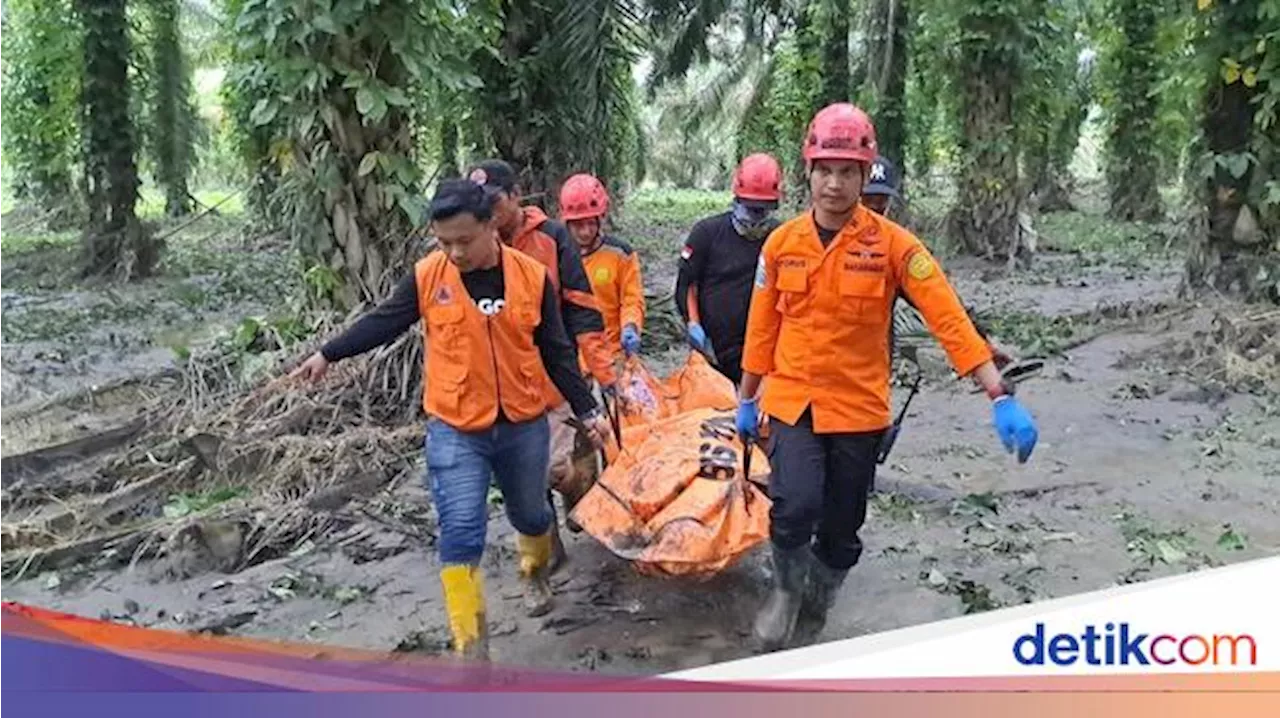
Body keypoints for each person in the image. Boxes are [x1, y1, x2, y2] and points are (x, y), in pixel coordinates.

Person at [736, 103, 1040, 652]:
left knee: (842, 525)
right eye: (824, 169)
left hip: (857, 408)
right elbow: (762, 326)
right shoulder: (781, 246)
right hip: (792, 402)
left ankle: (819, 600)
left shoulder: (895, 247)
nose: (834, 183)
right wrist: (746, 396)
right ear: (808, 170)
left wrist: (996, 391)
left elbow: (947, 316)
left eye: (847, 171)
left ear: (863, 174)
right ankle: (783, 593)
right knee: (795, 504)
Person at [289, 178, 611, 661]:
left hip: (523, 423)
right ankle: (471, 647)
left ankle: (534, 573)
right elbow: (385, 320)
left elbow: (557, 351)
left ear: (491, 227)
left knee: (533, 515)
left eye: (464, 240)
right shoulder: (427, 277)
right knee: (461, 530)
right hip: (456, 426)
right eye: (444, 242)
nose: (455, 252)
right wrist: (329, 353)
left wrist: (588, 409)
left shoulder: (531, 277)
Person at [466, 159, 617, 557]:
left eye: (493, 202)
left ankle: (579, 482)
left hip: (557, 375)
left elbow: (582, 308)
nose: (486, 212)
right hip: (503, 386)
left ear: (516, 196)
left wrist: (605, 374)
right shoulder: (471, 247)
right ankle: (544, 560)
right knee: (523, 477)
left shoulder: (551, 238)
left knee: (555, 470)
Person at [861, 154, 1014, 369]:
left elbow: (944, 309)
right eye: (865, 202)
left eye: (880, 204)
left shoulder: (897, 252)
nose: (872, 211)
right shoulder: (806, 243)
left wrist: (982, 347)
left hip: (871, 377)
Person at [674, 153, 784, 386]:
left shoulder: (781, 237)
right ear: (736, 198)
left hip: (764, 350)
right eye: (750, 209)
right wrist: (693, 324)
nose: (754, 219)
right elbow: (687, 284)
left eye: (761, 211)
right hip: (714, 348)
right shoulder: (707, 233)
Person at [559, 172, 646, 364]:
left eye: (591, 223)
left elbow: (631, 298)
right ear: (567, 223)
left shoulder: (620, 254)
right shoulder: (556, 255)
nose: (585, 231)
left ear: (601, 219)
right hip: (571, 358)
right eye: (578, 225)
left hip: (613, 354)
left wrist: (630, 326)